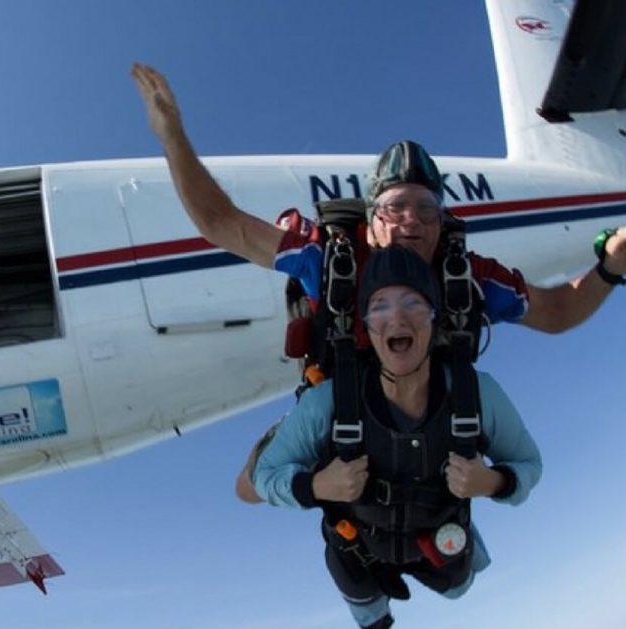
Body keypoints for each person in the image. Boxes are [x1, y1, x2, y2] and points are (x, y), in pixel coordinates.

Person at [130, 63, 625, 501]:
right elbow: (222, 223)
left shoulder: (467, 274)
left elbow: (558, 312)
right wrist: (174, 138)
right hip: (343, 397)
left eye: (426, 208)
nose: (412, 220)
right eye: (395, 208)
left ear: (442, 219)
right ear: (372, 219)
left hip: (431, 409)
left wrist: (610, 266)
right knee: (249, 487)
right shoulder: (329, 257)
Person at [252, 245, 542, 629]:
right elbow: (264, 477)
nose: (397, 317)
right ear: (367, 326)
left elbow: (528, 463)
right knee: (355, 585)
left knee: (459, 585)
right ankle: (377, 628)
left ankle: (456, 555)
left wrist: (492, 482)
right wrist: (316, 485)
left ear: (434, 317)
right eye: (380, 307)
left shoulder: (477, 394)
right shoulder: (329, 404)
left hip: (436, 535)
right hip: (360, 545)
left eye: (413, 303)